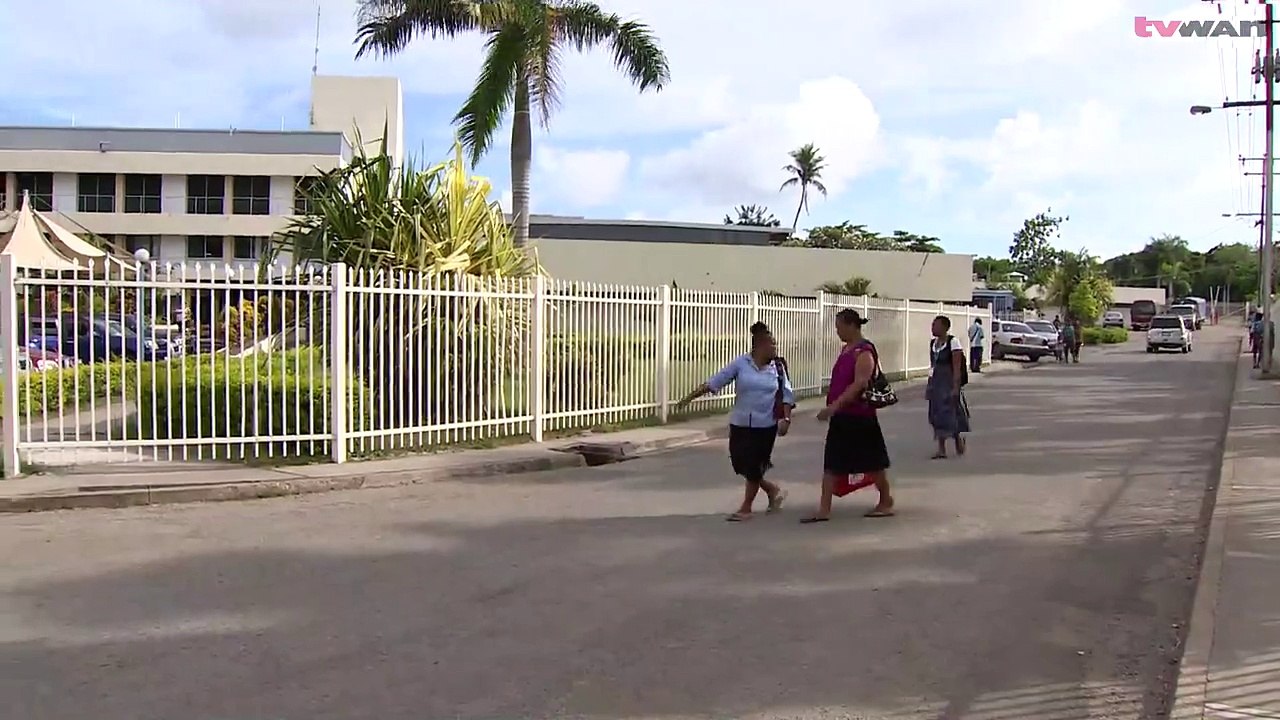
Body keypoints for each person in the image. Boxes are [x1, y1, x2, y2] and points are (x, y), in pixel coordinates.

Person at [676, 321, 795, 521]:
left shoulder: (778, 368)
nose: (774, 348)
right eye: (770, 345)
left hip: (765, 426)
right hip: (740, 423)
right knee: (742, 464)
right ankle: (772, 490)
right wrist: (689, 397)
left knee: (755, 467)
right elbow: (716, 381)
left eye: (775, 344)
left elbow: (787, 395)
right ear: (758, 346)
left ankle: (746, 508)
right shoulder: (741, 363)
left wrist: (786, 418)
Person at [802, 308, 893, 523]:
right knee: (832, 462)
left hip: (860, 416)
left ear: (851, 325)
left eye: (839, 327)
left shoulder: (864, 351)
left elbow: (860, 383)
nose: (837, 331)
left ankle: (886, 500)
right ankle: (824, 509)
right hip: (843, 417)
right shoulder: (846, 349)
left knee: (873, 463)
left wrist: (834, 406)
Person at [928, 315, 970, 459]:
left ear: (945, 327)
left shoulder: (953, 343)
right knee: (936, 416)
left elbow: (957, 367)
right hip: (936, 384)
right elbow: (932, 366)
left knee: (951, 414)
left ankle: (957, 438)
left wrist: (955, 387)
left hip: (948, 383)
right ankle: (941, 449)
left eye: (936, 325)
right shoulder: (933, 344)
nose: (933, 327)